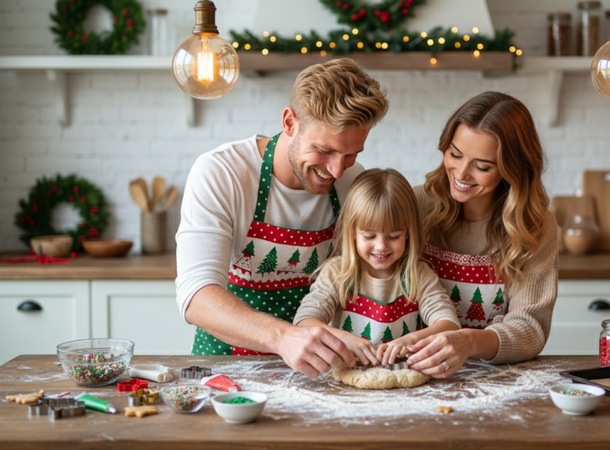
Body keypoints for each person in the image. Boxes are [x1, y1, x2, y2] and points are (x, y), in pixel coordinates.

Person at [175, 58, 389, 377]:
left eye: (350, 155)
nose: (336, 170)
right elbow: (197, 296)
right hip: (227, 367)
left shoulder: (352, 181)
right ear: (290, 122)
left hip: (316, 370)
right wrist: (285, 338)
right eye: (324, 151)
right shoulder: (222, 173)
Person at [405, 91, 559, 378]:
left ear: (512, 169)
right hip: (411, 372)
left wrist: (468, 342)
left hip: (492, 381)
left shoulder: (535, 226)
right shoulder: (414, 206)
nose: (461, 173)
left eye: (482, 166)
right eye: (455, 154)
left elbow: (530, 328)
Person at [293, 169, 460, 367]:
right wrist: (344, 339)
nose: (381, 246)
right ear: (352, 232)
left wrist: (411, 340)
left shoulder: (418, 274)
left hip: (403, 376)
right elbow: (304, 322)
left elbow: (449, 325)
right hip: (347, 375)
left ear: (408, 233)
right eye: (369, 236)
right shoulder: (337, 273)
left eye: (393, 236)